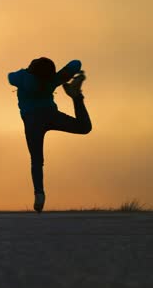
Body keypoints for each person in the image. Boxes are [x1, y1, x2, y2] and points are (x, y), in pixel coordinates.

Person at [8, 57, 92, 213]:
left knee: (37, 160)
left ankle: (39, 194)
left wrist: (25, 72)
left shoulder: (23, 78)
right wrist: (62, 75)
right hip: (51, 115)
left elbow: (9, 77)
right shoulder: (51, 81)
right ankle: (76, 95)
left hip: (32, 121)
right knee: (84, 127)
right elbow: (76, 63)